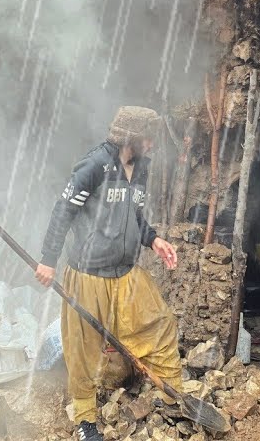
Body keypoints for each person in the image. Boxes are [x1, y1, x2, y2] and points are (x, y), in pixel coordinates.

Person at [37, 106, 183, 441]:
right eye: (148, 137)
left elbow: (134, 215)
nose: (152, 143)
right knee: (83, 347)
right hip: (87, 273)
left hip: (125, 272)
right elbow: (64, 211)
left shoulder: (142, 167)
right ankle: (86, 420)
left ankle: (174, 397)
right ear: (131, 137)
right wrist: (48, 259)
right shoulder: (94, 166)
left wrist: (153, 238)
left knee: (158, 324)